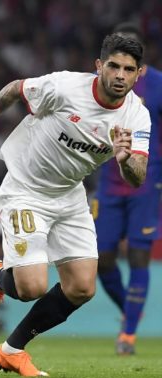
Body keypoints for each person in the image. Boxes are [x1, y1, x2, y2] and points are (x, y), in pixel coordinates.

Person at [0, 33, 150, 377]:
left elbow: (138, 177)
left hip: (69, 195)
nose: (120, 75)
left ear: (138, 74)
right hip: (25, 191)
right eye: (113, 66)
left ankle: (11, 351)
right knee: (32, 287)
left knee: (82, 287)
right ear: (99, 66)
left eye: (128, 70)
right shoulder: (65, 87)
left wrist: (125, 159)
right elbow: (15, 88)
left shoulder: (137, 115)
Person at [92, 22, 162, 355]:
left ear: (141, 64)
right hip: (109, 183)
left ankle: (128, 335)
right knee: (101, 259)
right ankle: (130, 310)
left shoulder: (158, 85)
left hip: (146, 182)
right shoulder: (100, 82)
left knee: (138, 255)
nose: (122, 69)